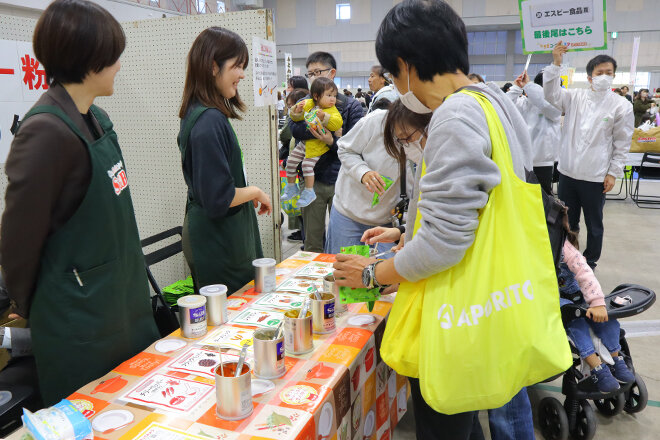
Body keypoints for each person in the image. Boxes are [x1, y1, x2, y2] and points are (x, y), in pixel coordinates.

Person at [333, 1, 536, 438]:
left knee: (443, 420)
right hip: (498, 297)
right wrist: (407, 233)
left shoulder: (455, 114)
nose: (395, 86)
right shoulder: (497, 103)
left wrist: (373, 272)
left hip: (459, 312)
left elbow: (444, 242)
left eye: (392, 76)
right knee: (464, 418)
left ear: (405, 66)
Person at [0, 0, 160, 405]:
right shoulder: (44, 133)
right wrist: (25, 304)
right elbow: (18, 241)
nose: (119, 65)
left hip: (121, 302)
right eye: (113, 56)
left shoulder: (97, 118)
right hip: (80, 320)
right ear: (88, 60)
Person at [178, 27, 272, 294]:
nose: (242, 74)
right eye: (237, 66)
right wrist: (255, 191)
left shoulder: (205, 114)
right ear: (212, 67)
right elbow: (219, 198)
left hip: (222, 235)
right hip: (217, 242)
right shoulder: (208, 121)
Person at [544, 42, 633, 269]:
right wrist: (556, 64)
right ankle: (567, 259)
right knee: (567, 221)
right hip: (568, 173)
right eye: (599, 72)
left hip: (595, 176)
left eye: (609, 73)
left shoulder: (621, 106)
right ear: (590, 76)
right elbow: (552, 95)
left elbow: (622, 143)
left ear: (614, 76)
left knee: (595, 224)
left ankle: (590, 261)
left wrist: (613, 173)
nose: (604, 76)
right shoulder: (574, 98)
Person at [289, 52, 364, 252]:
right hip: (312, 180)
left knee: (344, 240)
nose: (313, 77)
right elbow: (294, 129)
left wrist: (331, 141)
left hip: (343, 180)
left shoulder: (351, 106)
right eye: (310, 73)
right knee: (313, 241)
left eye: (317, 72)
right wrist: (323, 130)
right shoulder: (307, 102)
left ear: (332, 73)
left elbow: (356, 143)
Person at [558, 215, 635, 392]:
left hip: (576, 293)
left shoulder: (565, 248)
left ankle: (616, 359)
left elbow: (585, 273)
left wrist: (597, 303)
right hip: (553, 299)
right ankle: (596, 367)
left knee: (607, 318)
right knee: (576, 323)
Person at [325, 100, 408, 255]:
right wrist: (363, 172)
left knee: (381, 274)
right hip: (348, 216)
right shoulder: (377, 120)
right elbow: (344, 148)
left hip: (387, 221)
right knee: (343, 272)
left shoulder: (421, 137)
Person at [282, 77, 343, 207]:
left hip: (318, 146)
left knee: (306, 165)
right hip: (305, 143)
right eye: (329, 95)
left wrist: (324, 117)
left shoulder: (332, 110)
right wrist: (296, 110)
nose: (333, 99)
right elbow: (295, 118)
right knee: (291, 161)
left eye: (334, 95)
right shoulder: (309, 103)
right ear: (316, 96)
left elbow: (337, 123)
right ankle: (291, 186)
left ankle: (309, 191)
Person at [506, 70, 561, 195]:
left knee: (543, 199)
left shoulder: (553, 106)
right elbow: (504, 103)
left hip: (543, 161)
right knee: (522, 197)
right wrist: (516, 88)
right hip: (522, 161)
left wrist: (528, 86)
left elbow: (545, 104)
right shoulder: (523, 103)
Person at [280, 89, 309, 242]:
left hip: (303, 173)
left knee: (306, 214)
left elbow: (285, 135)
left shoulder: (302, 125)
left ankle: (306, 239)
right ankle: (305, 238)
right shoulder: (297, 124)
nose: (289, 109)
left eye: (291, 105)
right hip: (299, 172)